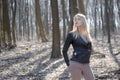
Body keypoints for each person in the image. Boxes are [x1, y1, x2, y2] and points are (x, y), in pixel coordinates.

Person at [62, 13, 95, 80]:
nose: (76, 21)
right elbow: (64, 50)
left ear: (83, 21)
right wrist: (68, 64)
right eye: (75, 19)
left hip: (86, 64)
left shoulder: (87, 35)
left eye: (78, 19)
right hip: (75, 63)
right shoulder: (72, 34)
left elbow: (89, 49)